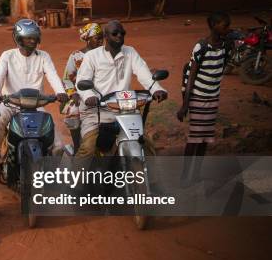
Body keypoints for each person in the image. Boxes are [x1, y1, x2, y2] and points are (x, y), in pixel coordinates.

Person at [75, 20, 167, 158]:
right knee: (88, 149)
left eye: (122, 33)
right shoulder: (92, 56)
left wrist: (156, 89)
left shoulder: (130, 52)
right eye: (115, 33)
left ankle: (149, 178)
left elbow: (144, 73)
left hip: (125, 111)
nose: (120, 36)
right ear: (105, 37)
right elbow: (81, 82)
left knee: (146, 146)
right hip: (97, 112)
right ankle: (74, 179)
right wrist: (89, 96)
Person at [0, 19, 69, 156]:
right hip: (10, 103)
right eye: (28, 38)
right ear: (18, 38)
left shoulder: (44, 56)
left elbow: (53, 76)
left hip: (36, 105)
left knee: (58, 145)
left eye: (34, 38)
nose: (32, 41)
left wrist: (60, 92)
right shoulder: (7, 56)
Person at [177, 12, 231, 183]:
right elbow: (192, 75)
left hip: (213, 98)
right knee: (195, 138)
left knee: (205, 139)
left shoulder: (225, 46)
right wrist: (185, 105)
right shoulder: (201, 46)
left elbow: (222, 68)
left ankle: (196, 174)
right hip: (198, 98)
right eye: (224, 25)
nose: (227, 28)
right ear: (214, 25)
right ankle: (185, 176)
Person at [62, 23, 103, 151]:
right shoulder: (76, 56)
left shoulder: (105, 55)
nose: (101, 41)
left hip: (103, 94)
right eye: (97, 38)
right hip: (81, 95)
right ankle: (77, 147)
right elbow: (67, 79)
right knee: (73, 110)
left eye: (102, 37)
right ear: (87, 39)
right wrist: (73, 93)